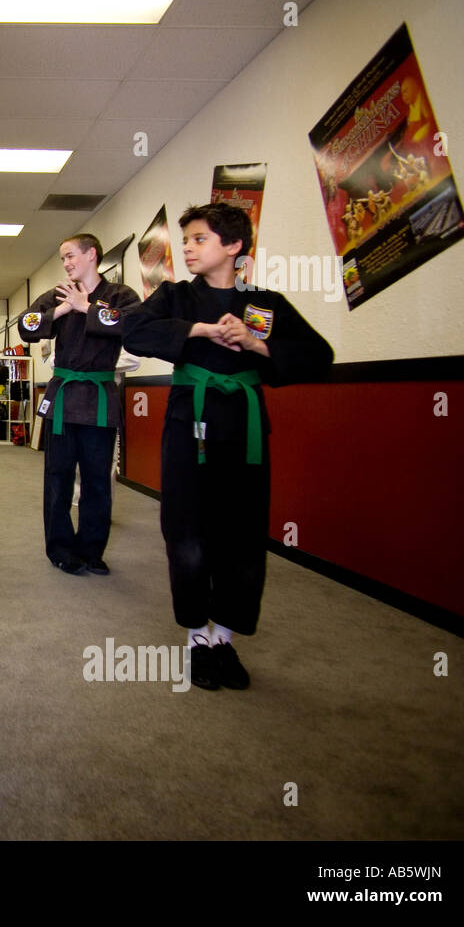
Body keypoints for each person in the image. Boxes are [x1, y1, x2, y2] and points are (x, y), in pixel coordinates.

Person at [122, 203, 333, 691]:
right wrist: (199, 330)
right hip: (188, 420)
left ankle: (226, 639)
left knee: (239, 534)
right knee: (188, 532)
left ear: (234, 246)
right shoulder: (175, 297)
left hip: (244, 425)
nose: (189, 248)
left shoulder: (264, 302)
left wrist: (259, 346)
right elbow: (132, 330)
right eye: (188, 240)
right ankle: (198, 637)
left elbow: (319, 357)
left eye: (199, 239)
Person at [17, 234, 139, 575]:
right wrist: (63, 309)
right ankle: (59, 549)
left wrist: (87, 308)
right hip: (63, 400)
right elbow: (26, 327)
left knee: (98, 480)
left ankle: (91, 550)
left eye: (71, 256)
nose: (67, 263)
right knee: (57, 478)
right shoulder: (58, 295)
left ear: (92, 255)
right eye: (63, 259)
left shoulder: (119, 296)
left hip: (99, 399)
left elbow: (136, 326)